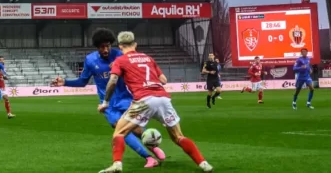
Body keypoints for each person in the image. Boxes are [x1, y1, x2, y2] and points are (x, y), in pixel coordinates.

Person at [99, 31, 212, 173]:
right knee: (178, 137)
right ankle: (204, 164)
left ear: (120, 46)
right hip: (163, 98)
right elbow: (164, 80)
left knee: (119, 133)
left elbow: (113, 81)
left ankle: (117, 165)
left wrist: (105, 102)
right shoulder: (148, 58)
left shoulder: (120, 61)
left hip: (143, 99)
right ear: (135, 44)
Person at [52, 28, 164, 168]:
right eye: (101, 47)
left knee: (135, 129)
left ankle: (153, 146)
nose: (105, 49)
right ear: (97, 47)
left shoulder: (120, 56)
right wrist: (65, 82)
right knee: (120, 129)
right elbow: (83, 81)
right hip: (108, 104)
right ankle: (149, 158)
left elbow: (136, 73)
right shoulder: (90, 60)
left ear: (112, 44)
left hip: (125, 99)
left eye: (108, 46)